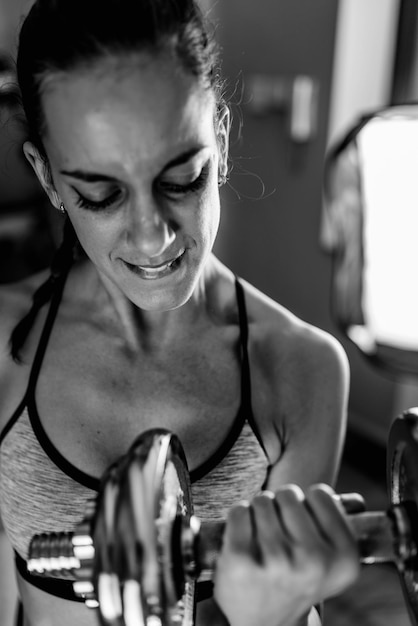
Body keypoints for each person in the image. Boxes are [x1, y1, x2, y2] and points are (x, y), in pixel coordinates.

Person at [0, 1, 360, 625]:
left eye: (183, 179)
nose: (151, 237)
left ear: (219, 139)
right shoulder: (4, 340)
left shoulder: (301, 369)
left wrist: (267, 615)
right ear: (49, 179)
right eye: (100, 195)